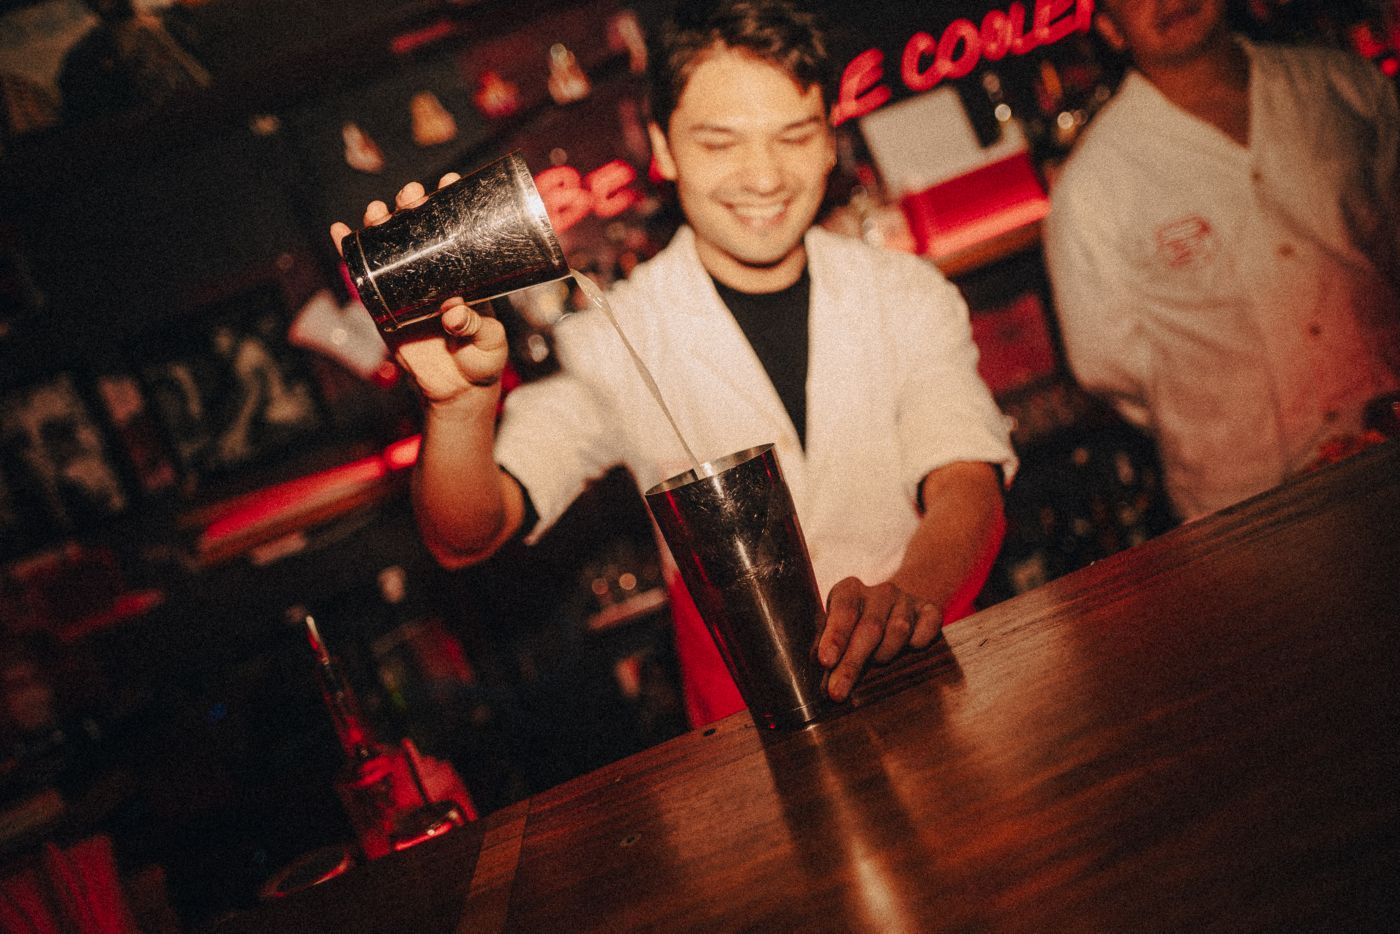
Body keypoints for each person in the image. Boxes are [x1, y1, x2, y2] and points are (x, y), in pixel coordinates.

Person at [330, 0, 1016, 727]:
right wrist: (459, 409)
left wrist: (910, 595)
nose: (763, 176)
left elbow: (967, 482)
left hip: (945, 687)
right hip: (748, 735)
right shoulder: (615, 336)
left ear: (827, 144)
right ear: (662, 147)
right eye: (720, 142)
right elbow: (467, 533)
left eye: (793, 136)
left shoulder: (906, 294)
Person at [1043, 0, 1400, 523]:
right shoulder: (1094, 182)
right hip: (1245, 505)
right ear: (1110, 30)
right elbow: (1109, 363)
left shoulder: (1342, 87)